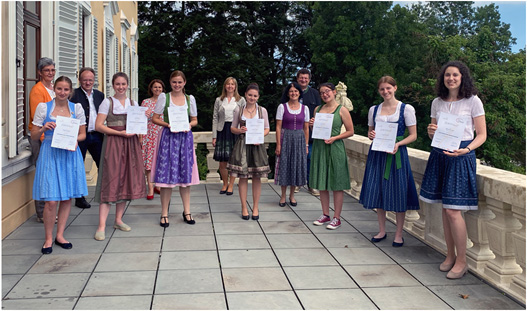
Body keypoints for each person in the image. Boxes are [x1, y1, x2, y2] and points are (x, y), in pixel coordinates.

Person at [420, 61, 487, 279]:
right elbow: (433, 132)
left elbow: (482, 135)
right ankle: (449, 255)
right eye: (447, 75)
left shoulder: (473, 101)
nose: (451, 78)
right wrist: (431, 131)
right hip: (440, 155)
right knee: (444, 208)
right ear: (443, 78)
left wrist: (466, 149)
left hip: (461, 155)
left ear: (462, 77)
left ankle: (462, 261)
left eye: (455, 75)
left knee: (453, 210)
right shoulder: (437, 102)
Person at [359, 76, 419, 247]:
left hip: (396, 154)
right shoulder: (374, 110)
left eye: (388, 88)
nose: (385, 92)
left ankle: (399, 233)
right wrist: (371, 135)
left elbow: (413, 135)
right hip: (378, 154)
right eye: (382, 89)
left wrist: (398, 144)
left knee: (399, 192)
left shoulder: (406, 109)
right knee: (378, 190)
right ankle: (382, 230)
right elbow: (370, 133)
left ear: (395, 88)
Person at [31, 76, 88, 254]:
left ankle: (60, 235)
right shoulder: (44, 107)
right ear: (54, 89)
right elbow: (33, 135)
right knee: (51, 200)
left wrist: (75, 140)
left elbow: (82, 135)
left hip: (69, 153)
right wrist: (42, 129)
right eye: (59, 89)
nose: (62, 92)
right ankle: (48, 238)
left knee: (66, 197)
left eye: (66, 89)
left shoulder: (76, 109)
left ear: (70, 91)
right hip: (50, 153)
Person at [93, 72, 146, 240]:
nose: (121, 87)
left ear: (127, 85)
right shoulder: (107, 103)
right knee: (110, 179)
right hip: (114, 144)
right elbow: (98, 126)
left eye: (123, 84)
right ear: (113, 85)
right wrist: (119, 133)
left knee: (125, 180)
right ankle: (101, 225)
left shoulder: (133, 103)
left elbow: (138, 124)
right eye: (118, 84)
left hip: (130, 144)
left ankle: (118, 219)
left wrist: (138, 130)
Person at [151, 70, 200, 227]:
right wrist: (167, 124)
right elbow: (154, 118)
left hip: (184, 138)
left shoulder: (189, 99)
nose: (177, 85)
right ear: (170, 83)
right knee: (166, 178)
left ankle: (187, 211)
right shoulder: (163, 98)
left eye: (180, 82)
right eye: (174, 82)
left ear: (184, 82)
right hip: (169, 138)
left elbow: (194, 120)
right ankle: (164, 213)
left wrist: (188, 125)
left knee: (185, 178)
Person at [310, 82, 354, 230]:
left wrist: (335, 138)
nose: (325, 94)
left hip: (335, 147)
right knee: (322, 182)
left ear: (334, 92)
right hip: (320, 147)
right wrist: (312, 125)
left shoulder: (342, 110)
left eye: (327, 91)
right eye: (322, 93)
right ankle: (325, 214)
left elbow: (350, 131)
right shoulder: (318, 109)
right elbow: (316, 128)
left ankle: (337, 217)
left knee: (337, 183)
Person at [227, 83, 270, 220]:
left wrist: (260, 136)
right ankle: (244, 207)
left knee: (256, 178)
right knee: (243, 177)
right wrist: (240, 130)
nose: (252, 98)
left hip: (257, 146)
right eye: (250, 95)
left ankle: (256, 207)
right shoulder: (238, 110)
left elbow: (267, 128)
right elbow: (232, 128)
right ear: (245, 95)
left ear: (258, 97)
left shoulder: (262, 110)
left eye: (255, 96)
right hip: (242, 145)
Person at [70, 67, 106, 209]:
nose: (88, 82)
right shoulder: (73, 95)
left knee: (102, 164)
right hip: (80, 136)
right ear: (80, 80)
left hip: (96, 135)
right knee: (79, 165)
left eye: (90, 79)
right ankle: (79, 198)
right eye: (85, 79)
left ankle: (104, 193)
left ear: (94, 80)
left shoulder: (99, 95)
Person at [29, 57, 56, 222]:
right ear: (40, 72)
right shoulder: (38, 90)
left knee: (50, 174)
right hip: (41, 137)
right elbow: (37, 118)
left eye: (52, 70)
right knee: (42, 174)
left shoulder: (53, 88)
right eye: (47, 70)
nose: (50, 73)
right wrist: (45, 139)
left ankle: (49, 210)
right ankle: (41, 213)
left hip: (52, 137)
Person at [274, 82, 309, 207]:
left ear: (299, 93)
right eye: (291, 91)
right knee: (285, 166)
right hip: (286, 138)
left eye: (296, 91)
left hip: (299, 139)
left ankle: (292, 195)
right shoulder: (282, 107)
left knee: (295, 166)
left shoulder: (305, 108)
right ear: (288, 93)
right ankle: (283, 196)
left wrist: (305, 145)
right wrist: (278, 144)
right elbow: (278, 127)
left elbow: (306, 128)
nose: (293, 93)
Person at [212, 77, 246, 195]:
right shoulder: (219, 100)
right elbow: (215, 118)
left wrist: (244, 130)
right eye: (228, 84)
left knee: (233, 160)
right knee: (222, 161)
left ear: (235, 86)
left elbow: (245, 116)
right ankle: (225, 183)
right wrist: (214, 136)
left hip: (235, 131)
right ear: (225, 86)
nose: (230, 86)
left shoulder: (241, 100)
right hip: (222, 131)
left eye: (232, 84)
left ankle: (231, 185)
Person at [297, 68, 321, 196]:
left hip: (311, 134)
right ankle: (297, 183)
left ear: (309, 80)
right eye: (301, 77)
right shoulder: (292, 91)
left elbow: (320, 110)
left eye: (306, 78)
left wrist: (315, 120)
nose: (303, 80)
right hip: (295, 132)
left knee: (310, 159)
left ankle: (311, 185)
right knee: (297, 159)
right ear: (297, 78)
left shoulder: (315, 93)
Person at [141, 79, 164, 200]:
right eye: (155, 87)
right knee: (148, 163)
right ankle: (150, 187)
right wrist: (140, 136)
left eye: (159, 87)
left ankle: (158, 185)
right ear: (151, 89)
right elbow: (140, 119)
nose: (157, 89)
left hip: (161, 134)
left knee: (160, 161)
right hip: (148, 134)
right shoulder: (145, 102)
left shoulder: (166, 102)